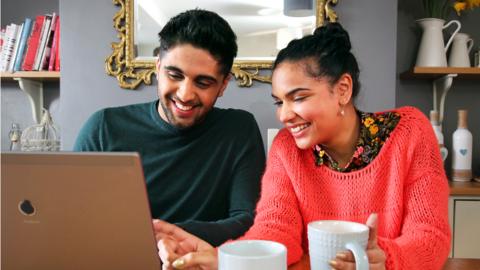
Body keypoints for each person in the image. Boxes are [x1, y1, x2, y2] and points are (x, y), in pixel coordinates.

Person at [154, 23, 451, 270]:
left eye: (297, 97)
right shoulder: (287, 148)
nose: (284, 115)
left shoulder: (409, 132)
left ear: (342, 90)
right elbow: (276, 230)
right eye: (279, 101)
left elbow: (430, 238)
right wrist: (226, 258)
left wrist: (385, 258)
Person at [73, 9, 266, 246]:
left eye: (203, 82)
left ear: (224, 84)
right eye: (174, 75)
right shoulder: (103, 128)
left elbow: (248, 219)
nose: (185, 95)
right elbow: (76, 218)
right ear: (157, 67)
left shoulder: (238, 129)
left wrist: (168, 235)